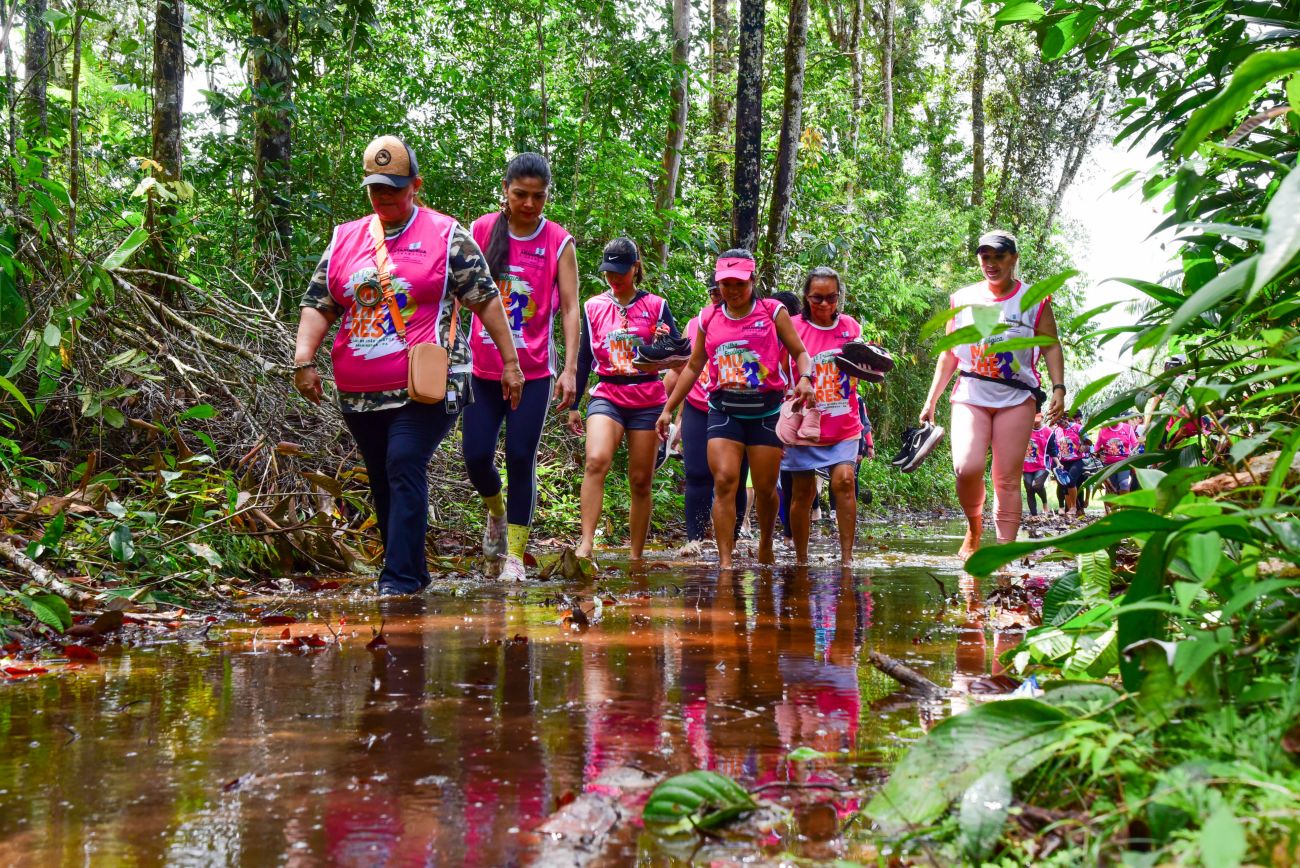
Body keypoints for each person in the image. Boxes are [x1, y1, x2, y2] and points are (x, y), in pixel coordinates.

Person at [293, 135, 523, 595]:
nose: (384, 197)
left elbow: (485, 300)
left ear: (415, 185)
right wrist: (303, 359)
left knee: (403, 461)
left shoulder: (446, 235)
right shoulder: (346, 238)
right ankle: (413, 573)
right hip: (361, 391)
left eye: (394, 188)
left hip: (429, 384)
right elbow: (320, 303)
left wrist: (510, 363)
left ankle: (396, 581)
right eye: (376, 188)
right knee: (383, 476)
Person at [656, 249, 816, 570]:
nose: (732, 290)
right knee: (726, 481)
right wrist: (668, 408)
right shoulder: (708, 318)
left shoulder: (773, 313)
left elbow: (800, 352)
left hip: (766, 412)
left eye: (739, 283)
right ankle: (726, 562)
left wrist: (806, 379)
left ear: (752, 281)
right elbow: (693, 366)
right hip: (723, 410)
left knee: (767, 488)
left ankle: (766, 543)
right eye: (726, 283)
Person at [462, 153, 579, 582]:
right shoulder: (479, 231)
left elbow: (570, 309)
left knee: (519, 456)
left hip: (534, 373)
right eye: (521, 195)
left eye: (538, 196)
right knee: (475, 455)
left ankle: (513, 553)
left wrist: (569, 370)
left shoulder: (558, 241)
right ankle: (494, 510)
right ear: (506, 191)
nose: (529, 204)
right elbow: (457, 294)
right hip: (482, 368)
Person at [918, 230, 1065, 557]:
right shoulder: (962, 298)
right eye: (985, 256)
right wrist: (931, 401)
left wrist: (1058, 388)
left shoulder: (1034, 300)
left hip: (1017, 397)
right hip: (971, 391)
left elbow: (1051, 345)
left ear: (1013, 258)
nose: (991, 263)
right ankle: (973, 528)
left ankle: (1002, 553)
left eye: (999, 256)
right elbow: (950, 354)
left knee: (1007, 480)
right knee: (967, 468)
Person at [569, 238, 678, 561]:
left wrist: (664, 343)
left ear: (635, 268)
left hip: (647, 396)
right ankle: (586, 544)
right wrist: (574, 404)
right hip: (608, 393)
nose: (614, 278)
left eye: (620, 271)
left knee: (641, 480)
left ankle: (635, 555)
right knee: (595, 461)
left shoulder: (656, 305)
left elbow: (678, 355)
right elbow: (585, 357)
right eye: (608, 272)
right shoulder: (592, 307)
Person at [783, 267, 866, 567]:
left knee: (844, 482)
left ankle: (847, 558)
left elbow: (863, 367)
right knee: (802, 492)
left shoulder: (851, 327)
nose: (825, 305)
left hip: (844, 423)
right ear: (806, 296)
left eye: (831, 297)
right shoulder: (791, 327)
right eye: (818, 298)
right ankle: (801, 559)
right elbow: (779, 370)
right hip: (806, 425)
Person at [663, 280, 747, 557]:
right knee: (697, 475)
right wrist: (675, 415)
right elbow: (684, 371)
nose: (716, 297)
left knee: (733, 477)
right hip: (699, 405)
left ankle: (731, 543)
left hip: (736, 408)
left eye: (719, 291)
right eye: (712, 291)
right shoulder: (695, 323)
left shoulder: (749, 321)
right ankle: (694, 541)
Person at [1048, 414, 1085, 517]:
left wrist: (1084, 447)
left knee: (1071, 481)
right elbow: (1055, 447)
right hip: (1063, 461)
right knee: (1064, 484)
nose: (1060, 424)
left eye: (1061, 421)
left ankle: (1074, 507)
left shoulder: (1078, 428)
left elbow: (1088, 443)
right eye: (1057, 423)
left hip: (1077, 460)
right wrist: (1056, 461)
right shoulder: (1057, 431)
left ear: (1066, 419)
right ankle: (1070, 509)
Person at [1096, 416, 1139, 502]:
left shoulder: (1128, 428)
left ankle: (1124, 507)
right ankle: (1113, 511)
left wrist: (1133, 453)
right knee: (1112, 487)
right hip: (1108, 464)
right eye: (1110, 420)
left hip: (1123, 463)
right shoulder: (1103, 430)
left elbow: (1136, 444)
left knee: (1124, 484)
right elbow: (1097, 445)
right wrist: (1098, 454)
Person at [1022, 413, 1051, 518]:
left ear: (1042, 418)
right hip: (1026, 465)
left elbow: (1053, 449)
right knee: (1029, 488)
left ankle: (1045, 503)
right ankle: (1034, 515)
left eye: (1038, 420)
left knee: (1037, 485)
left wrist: (1056, 462)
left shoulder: (1048, 431)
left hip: (1042, 465)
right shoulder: (1024, 430)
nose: (1036, 422)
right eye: (1034, 419)